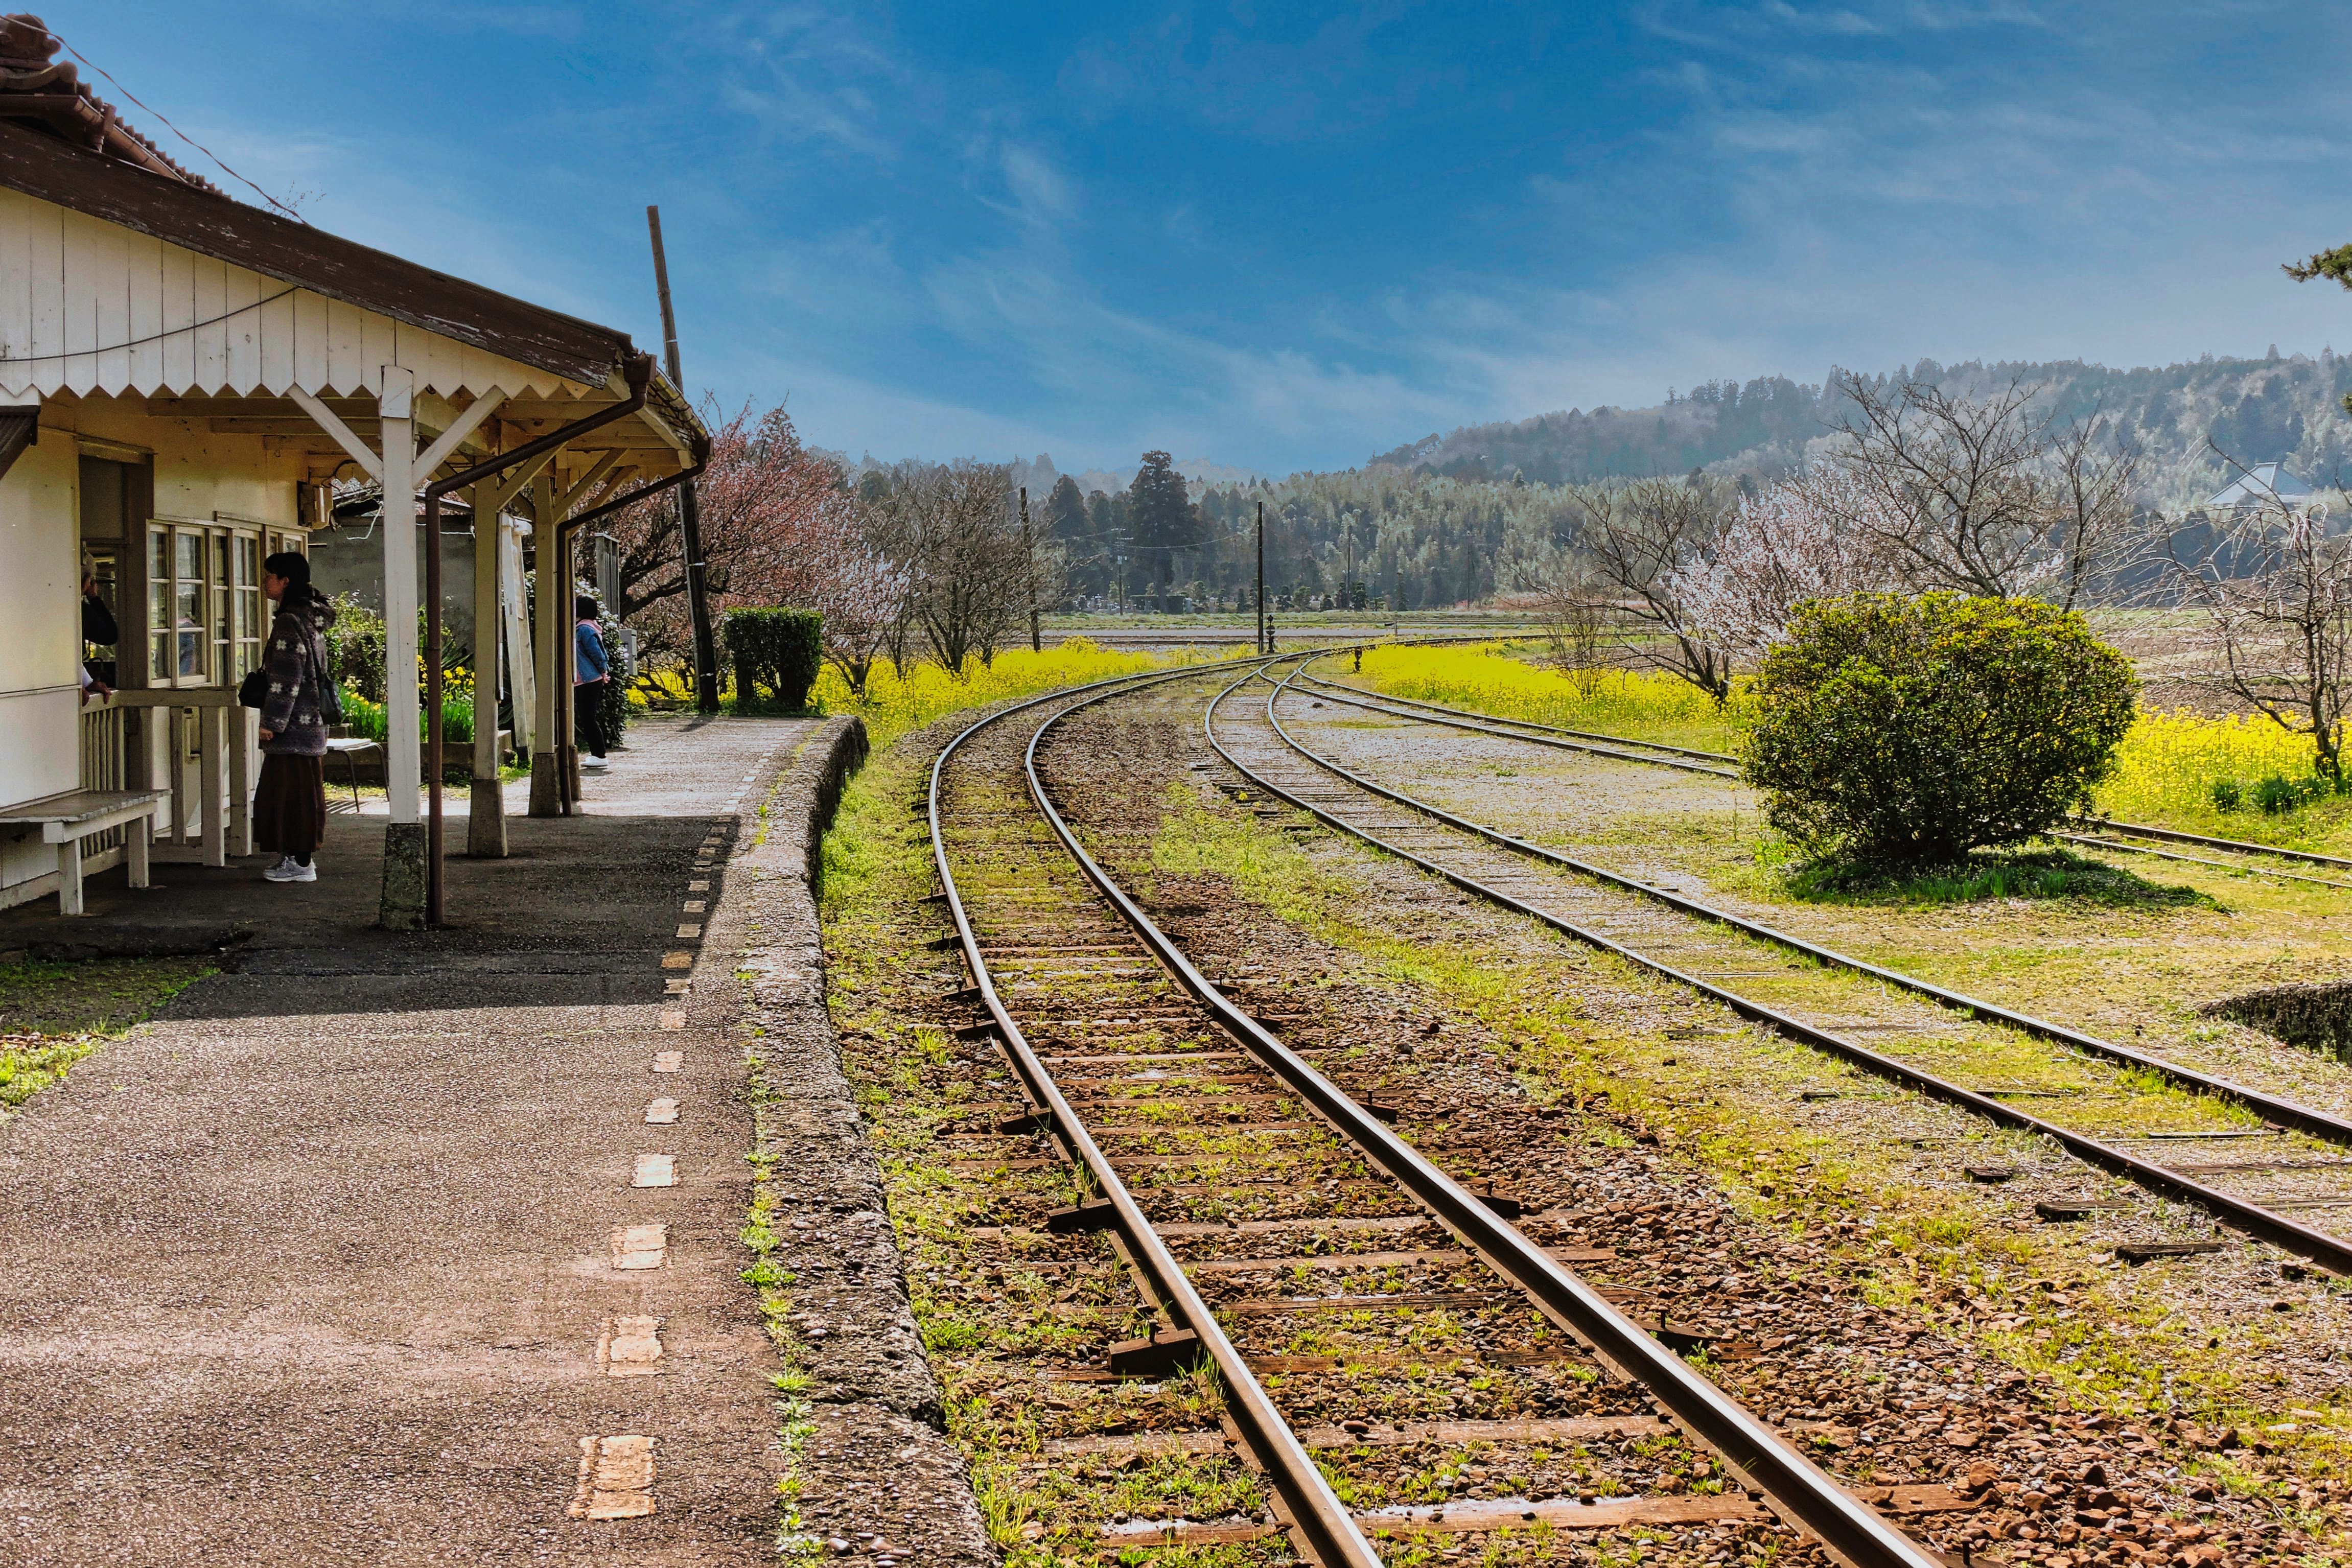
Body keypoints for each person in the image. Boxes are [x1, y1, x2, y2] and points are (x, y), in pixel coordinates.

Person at [253, 551, 337, 884]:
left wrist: (271, 723)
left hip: (293, 727)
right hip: (311, 723)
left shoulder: (289, 622)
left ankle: (300, 862)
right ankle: (296, 858)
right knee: (304, 794)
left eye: (270, 575)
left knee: (289, 795)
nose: (265, 582)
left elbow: (286, 678)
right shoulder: (310, 619)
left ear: (285, 581)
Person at [574, 594, 610, 773]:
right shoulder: (586, 628)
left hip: (588, 679)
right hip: (588, 679)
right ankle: (597, 754)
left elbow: (597, 653)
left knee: (588, 718)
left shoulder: (584, 629)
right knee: (588, 718)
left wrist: (603, 671)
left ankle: (599, 755)